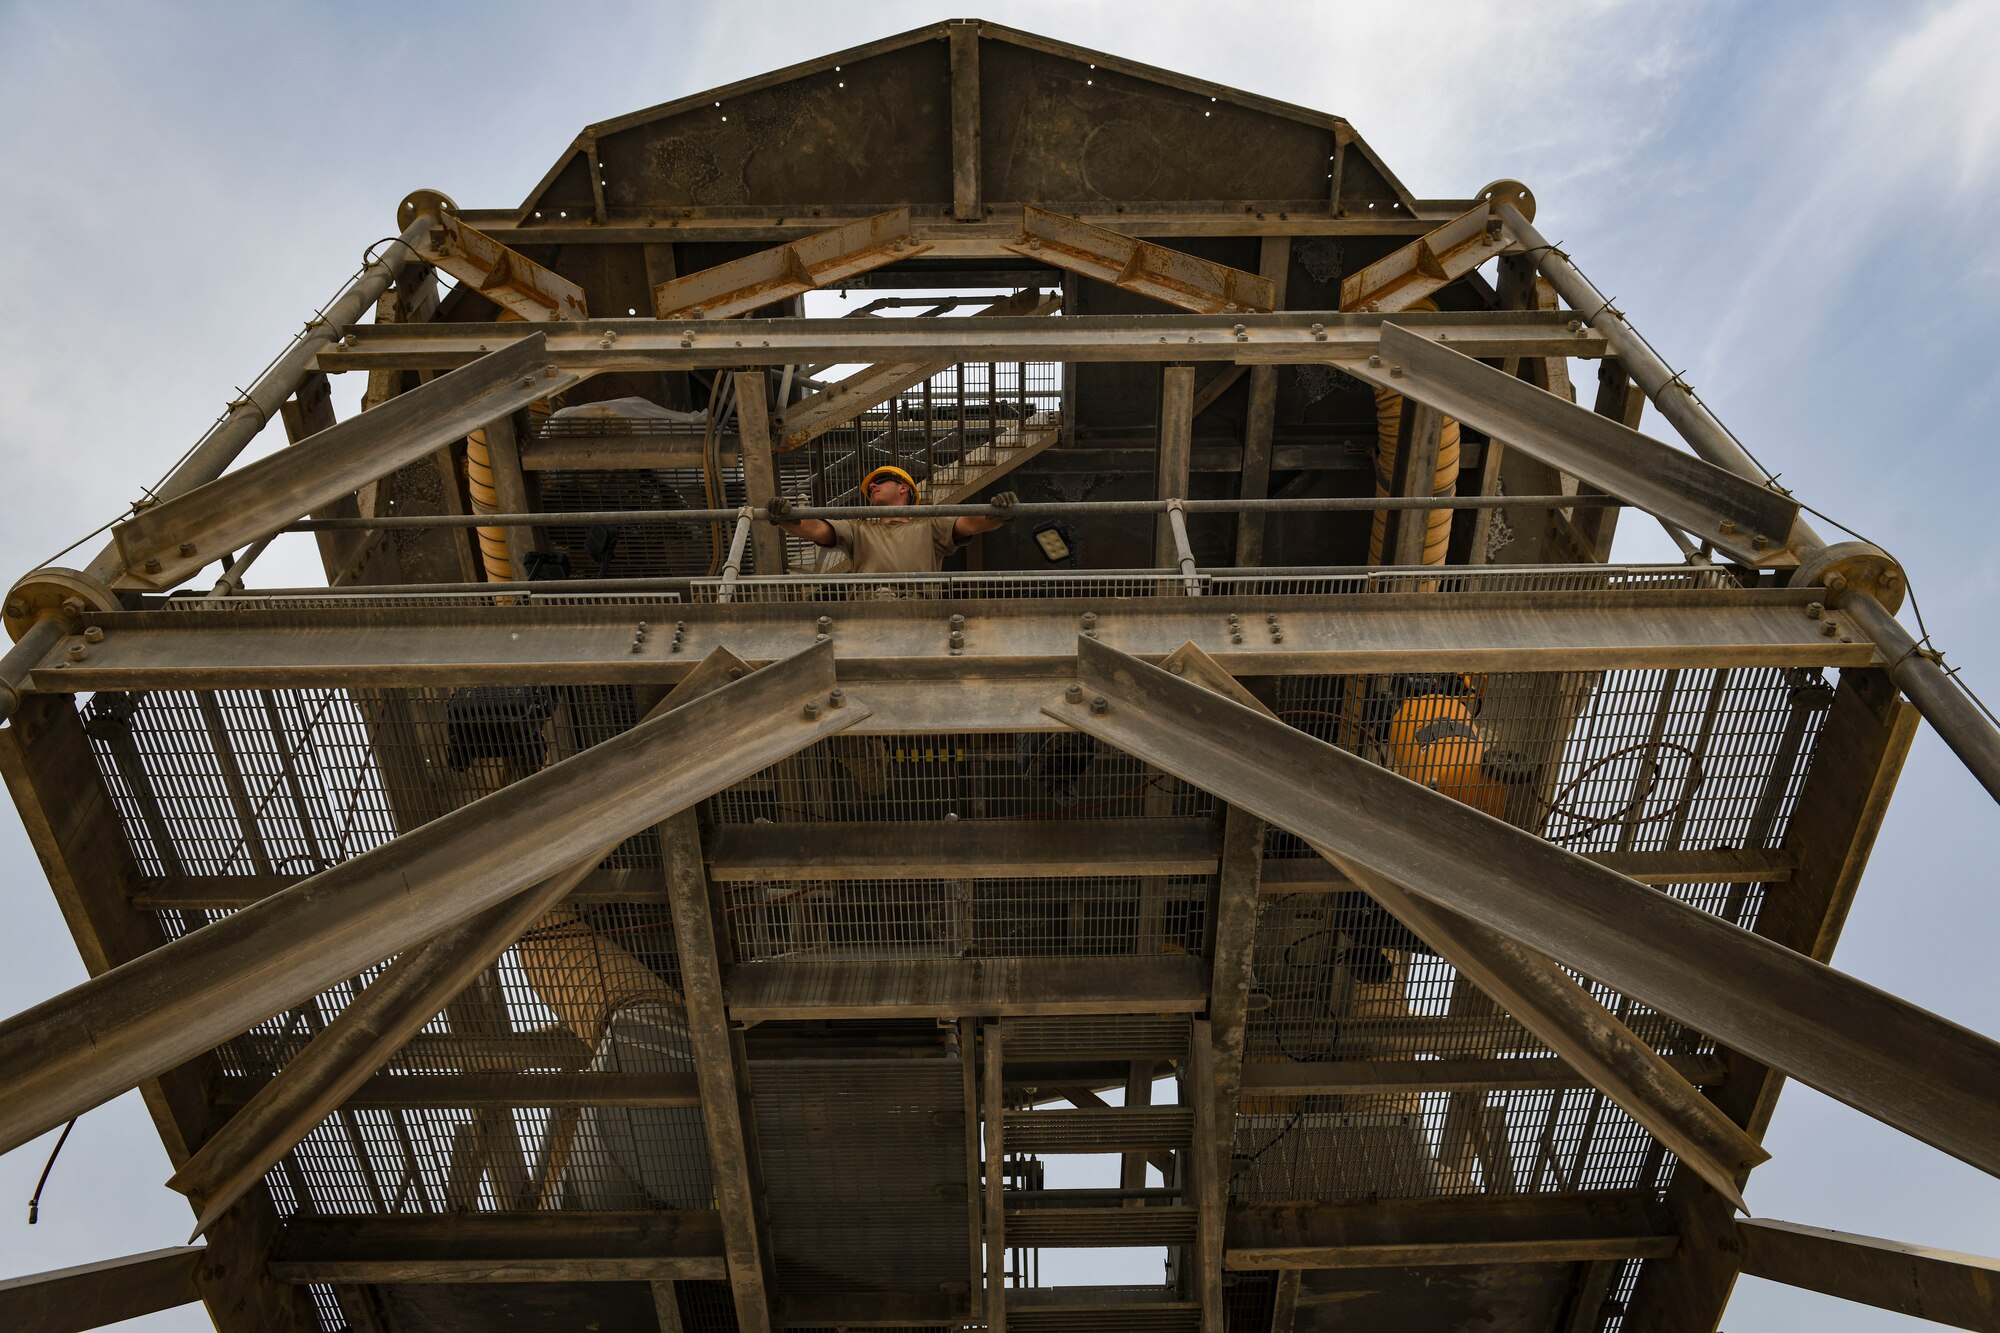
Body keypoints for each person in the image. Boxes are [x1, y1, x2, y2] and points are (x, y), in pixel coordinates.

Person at [766, 465, 1015, 573]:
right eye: (871, 485)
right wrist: (787, 519)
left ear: (903, 488)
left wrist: (999, 513)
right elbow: (816, 529)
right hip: (868, 608)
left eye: (881, 480)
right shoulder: (857, 528)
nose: (872, 485)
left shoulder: (929, 525)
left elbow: (972, 523)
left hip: (920, 608)